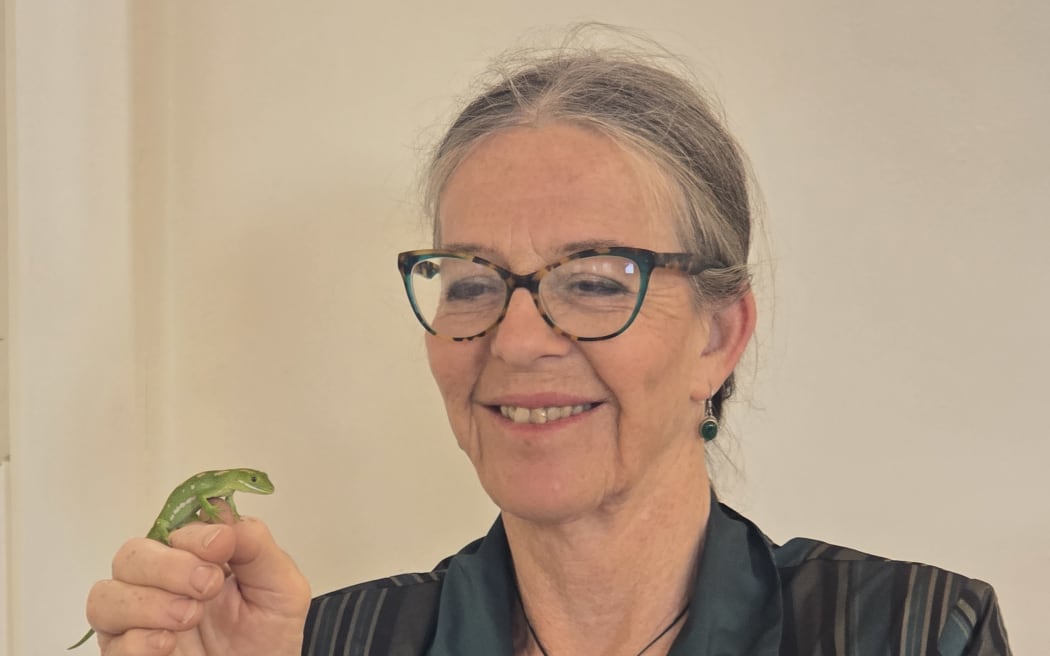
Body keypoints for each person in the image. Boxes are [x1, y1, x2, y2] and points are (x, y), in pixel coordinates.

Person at [83, 36, 1012, 656]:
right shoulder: (331, 640)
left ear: (719, 336)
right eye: (475, 282)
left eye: (596, 280)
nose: (517, 340)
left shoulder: (914, 630)